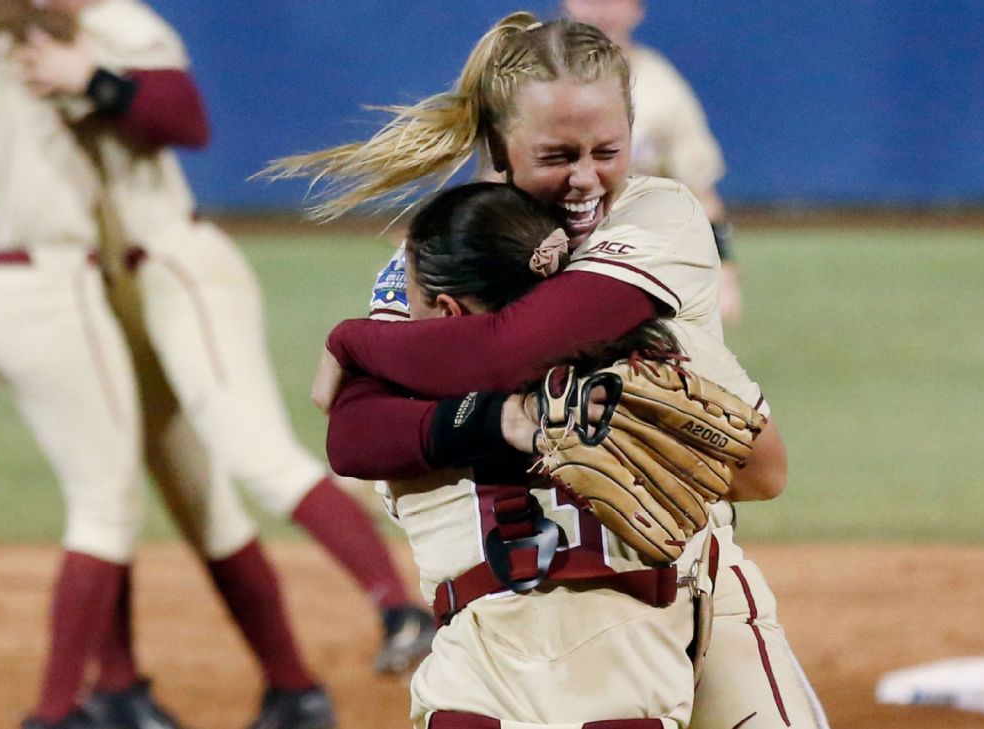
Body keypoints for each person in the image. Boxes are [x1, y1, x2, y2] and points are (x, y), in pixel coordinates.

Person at [277, 12, 829, 729]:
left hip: (695, 583)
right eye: (556, 154)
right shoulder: (436, 258)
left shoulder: (653, 217)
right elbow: (354, 433)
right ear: (499, 149)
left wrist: (355, 342)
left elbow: (512, 347)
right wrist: (495, 424)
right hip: (515, 625)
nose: (586, 178)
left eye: (608, 149)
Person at [0, 4, 330, 729]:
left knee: (110, 485)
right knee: (106, 503)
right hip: (55, 286)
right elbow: (182, 117)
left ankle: (119, 686)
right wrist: (96, 74)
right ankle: (56, 712)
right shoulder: (30, 48)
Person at [13, 0, 436, 689]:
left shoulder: (121, 25)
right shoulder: (23, 44)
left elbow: (186, 118)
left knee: (256, 452)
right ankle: (280, 685)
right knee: (155, 490)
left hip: (178, 270)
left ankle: (400, 610)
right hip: (106, 298)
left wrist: (93, 78)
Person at [327, 181, 766, 727]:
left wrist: (354, 341)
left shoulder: (405, 411)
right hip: (634, 684)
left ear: (444, 310)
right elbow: (767, 472)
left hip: (474, 697)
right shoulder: (660, 354)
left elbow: (348, 438)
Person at [563, 0, 742, 325]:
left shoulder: (662, 89)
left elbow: (701, 194)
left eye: (614, 2)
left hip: (633, 261)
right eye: (589, 0)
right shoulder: (534, 79)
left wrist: (725, 274)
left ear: (637, 9)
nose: (601, 12)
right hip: (548, 249)